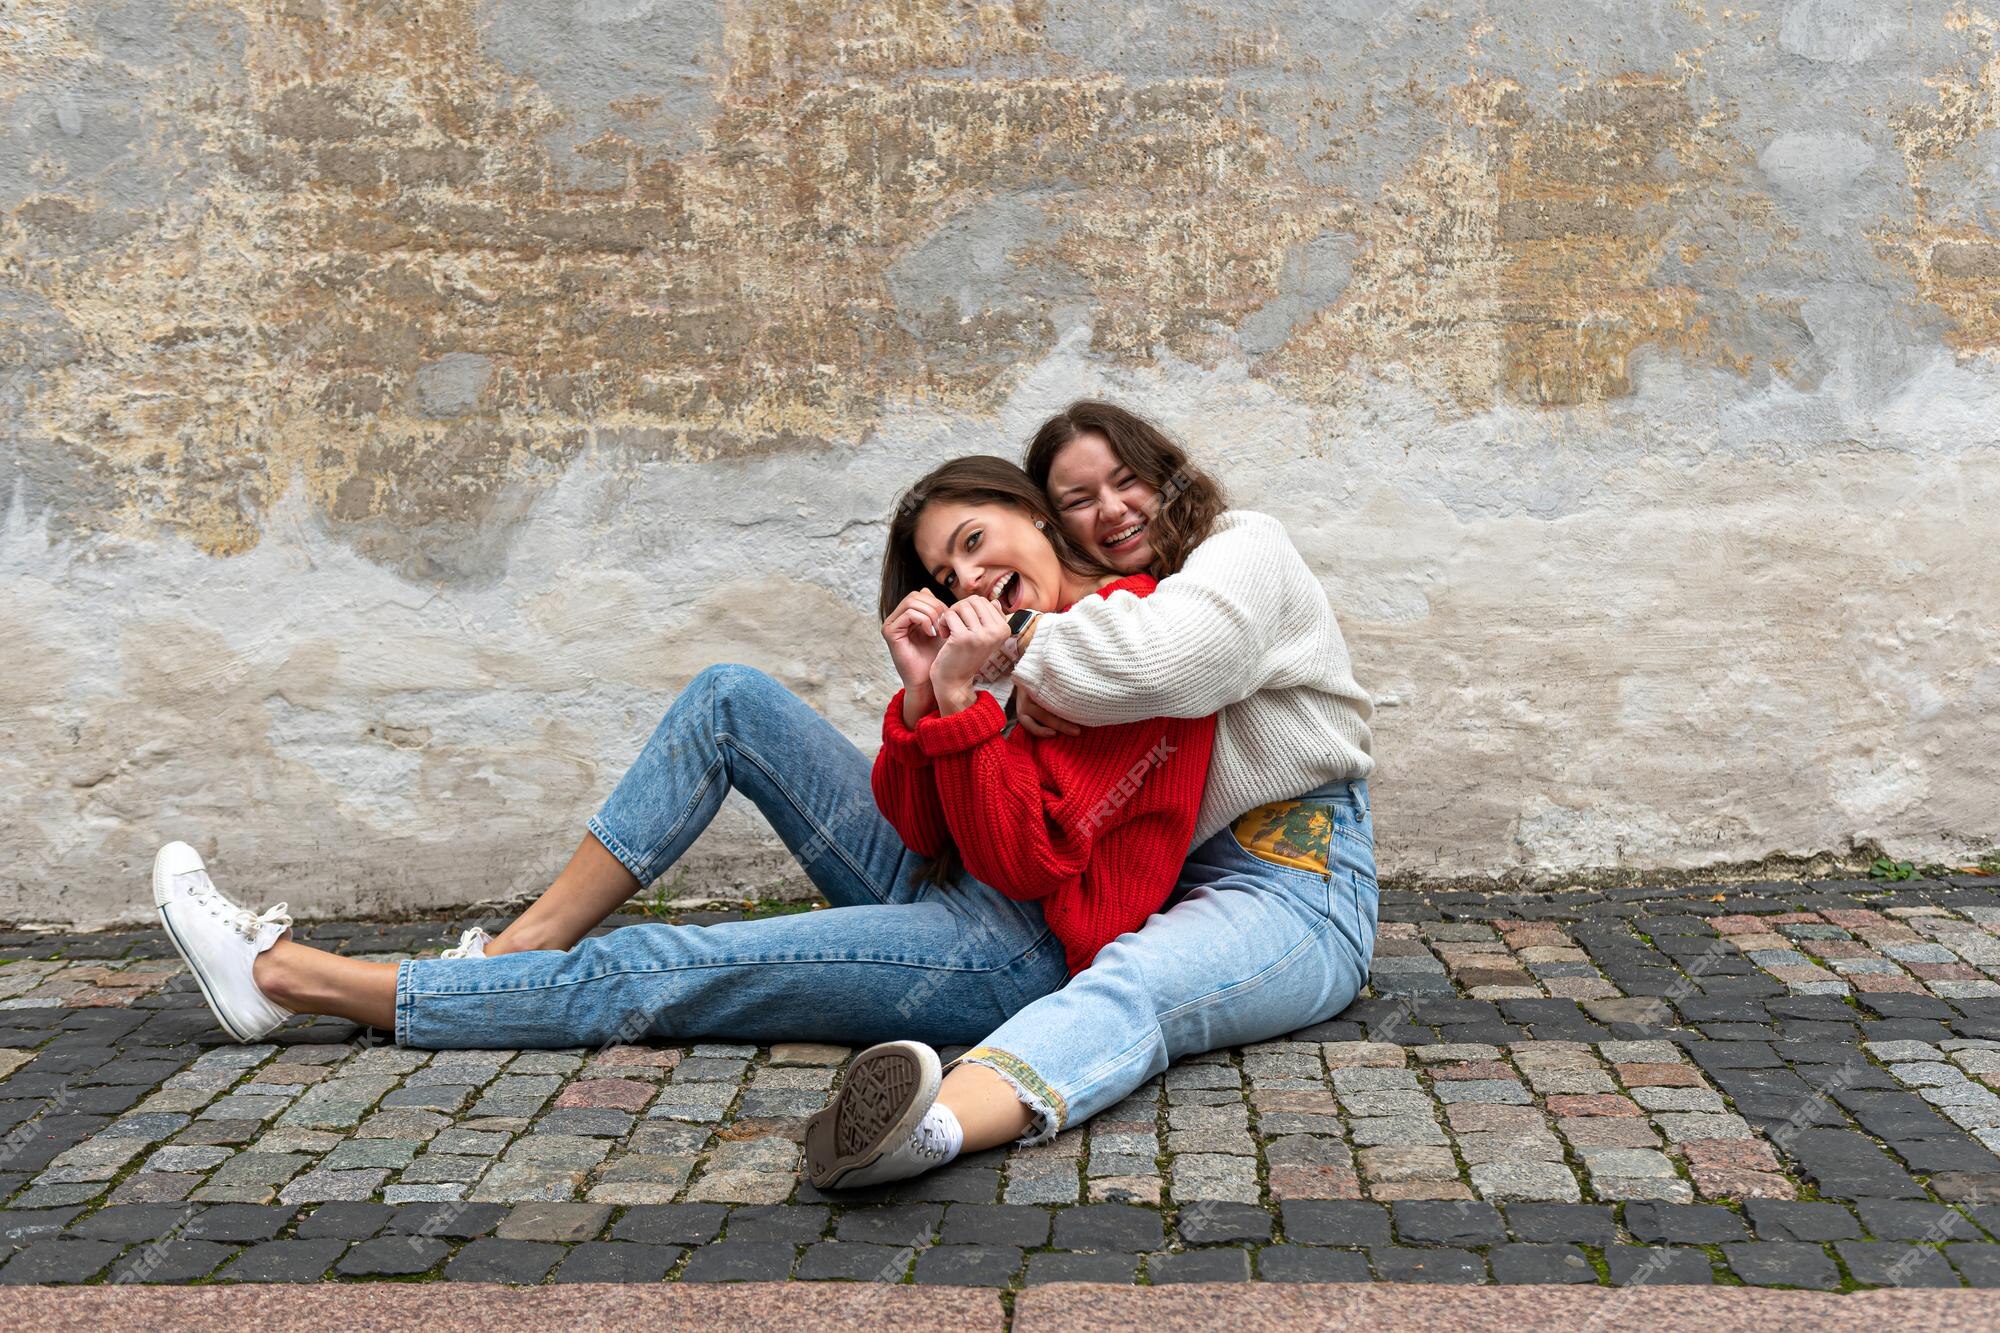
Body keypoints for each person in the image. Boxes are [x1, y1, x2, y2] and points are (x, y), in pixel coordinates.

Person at [150, 456, 1218, 1125]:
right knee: (729, 697)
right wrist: (919, 700)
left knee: (670, 967)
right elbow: (923, 828)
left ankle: (291, 978)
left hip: (1018, 949)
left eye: (975, 542)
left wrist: (964, 706)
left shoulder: (1132, 640)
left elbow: (1027, 862)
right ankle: (520, 954)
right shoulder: (1005, 649)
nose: (967, 581)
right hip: (960, 878)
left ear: (1031, 515)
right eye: (944, 574)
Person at [804, 400, 1377, 1189]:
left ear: (1167, 473)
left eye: (1127, 479)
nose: (1109, 509)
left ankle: (931, 1128)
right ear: (1054, 521)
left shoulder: (1244, 547)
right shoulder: (1098, 622)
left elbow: (1170, 662)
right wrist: (952, 690)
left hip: (1295, 878)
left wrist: (1008, 646)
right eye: (1078, 499)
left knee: (1138, 983)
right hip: (1170, 880)